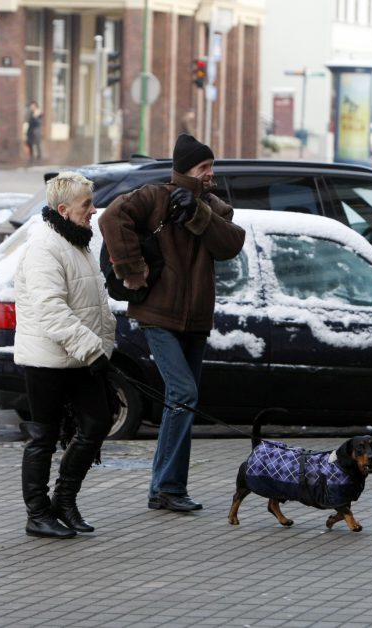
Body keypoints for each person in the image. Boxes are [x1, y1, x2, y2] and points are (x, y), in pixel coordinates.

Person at [98, 134, 245, 513]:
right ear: (185, 171)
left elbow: (230, 245)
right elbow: (112, 217)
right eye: (203, 167)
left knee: (182, 404)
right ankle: (167, 487)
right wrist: (131, 271)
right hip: (157, 317)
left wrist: (197, 212)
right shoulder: (155, 197)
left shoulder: (214, 207)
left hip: (195, 321)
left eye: (212, 166)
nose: (211, 173)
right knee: (183, 395)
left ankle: (164, 489)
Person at [14, 171, 117, 538]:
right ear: (63, 209)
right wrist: (93, 350)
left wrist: (102, 347)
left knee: (96, 423)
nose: (93, 210)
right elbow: (51, 310)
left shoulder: (77, 240)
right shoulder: (45, 246)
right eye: (86, 204)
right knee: (43, 436)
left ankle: (65, 501)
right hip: (47, 360)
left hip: (80, 357)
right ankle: (37, 513)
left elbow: (92, 302)